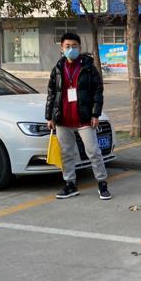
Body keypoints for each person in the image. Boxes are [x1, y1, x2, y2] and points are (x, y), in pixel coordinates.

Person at [44, 32, 112, 201]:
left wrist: (95, 114)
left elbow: (98, 91)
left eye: (74, 46)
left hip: (84, 119)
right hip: (63, 119)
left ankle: (102, 183)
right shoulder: (58, 68)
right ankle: (70, 184)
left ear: (80, 47)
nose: (71, 49)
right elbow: (51, 93)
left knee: (93, 152)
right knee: (66, 153)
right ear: (62, 48)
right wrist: (49, 116)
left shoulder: (88, 67)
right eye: (67, 46)